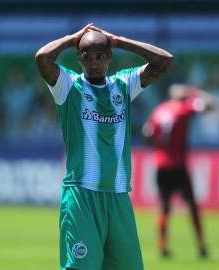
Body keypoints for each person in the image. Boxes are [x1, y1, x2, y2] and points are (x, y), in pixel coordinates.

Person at [35, 23, 173, 270]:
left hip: (118, 196)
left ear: (109, 56)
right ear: (79, 58)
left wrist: (120, 41)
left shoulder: (123, 85)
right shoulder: (68, 86)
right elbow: (43, 58)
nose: (94, 62)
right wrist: (73, 38)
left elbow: (164, 61)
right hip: (82, 197)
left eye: (100, 56)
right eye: (87, 57)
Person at [141, 84, 216, 258]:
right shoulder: (183, 108)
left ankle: (162, 247)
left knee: (164, 208)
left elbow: (147, 134)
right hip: (178, 165)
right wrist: (193, 92)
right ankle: (201, 246)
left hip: (161, 165)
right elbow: (211, 105)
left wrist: (158, 147)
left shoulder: (158, 111)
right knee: (192, 207)